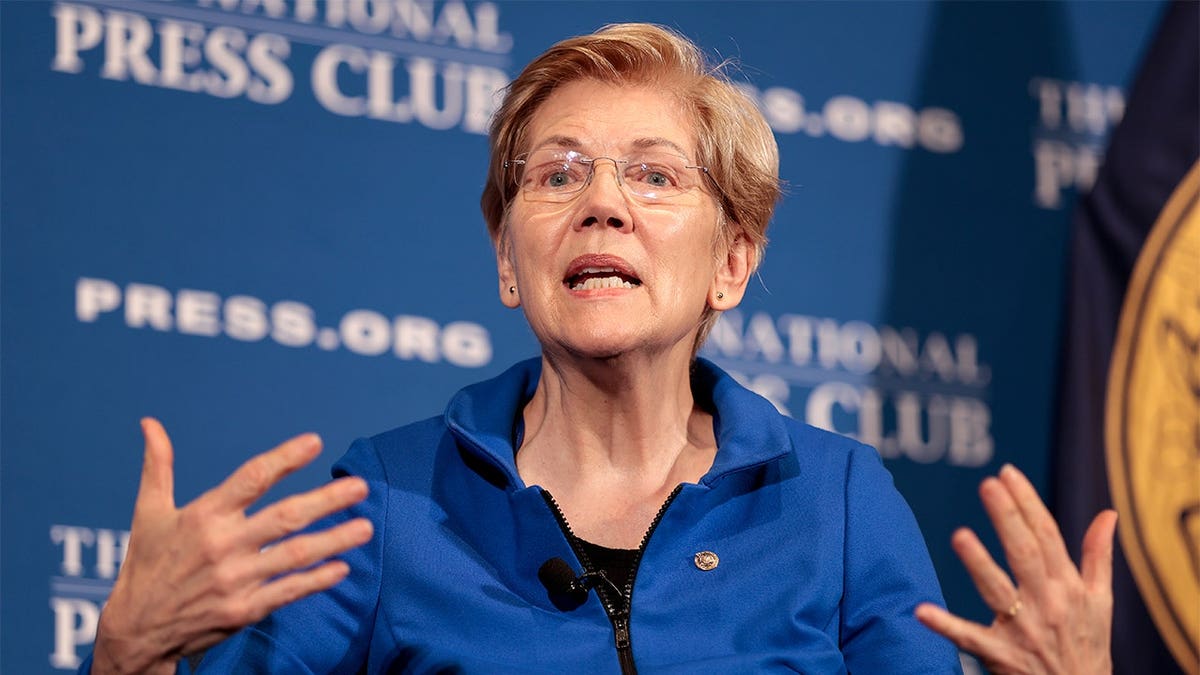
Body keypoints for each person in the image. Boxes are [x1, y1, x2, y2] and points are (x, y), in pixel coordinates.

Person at [83, 23, 1116, 674]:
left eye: (656, 176)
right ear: (508, 259)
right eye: (557, 174)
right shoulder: (389, 500)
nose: (603, 203)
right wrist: (127, 659)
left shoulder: (839, 505)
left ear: (732, 264)